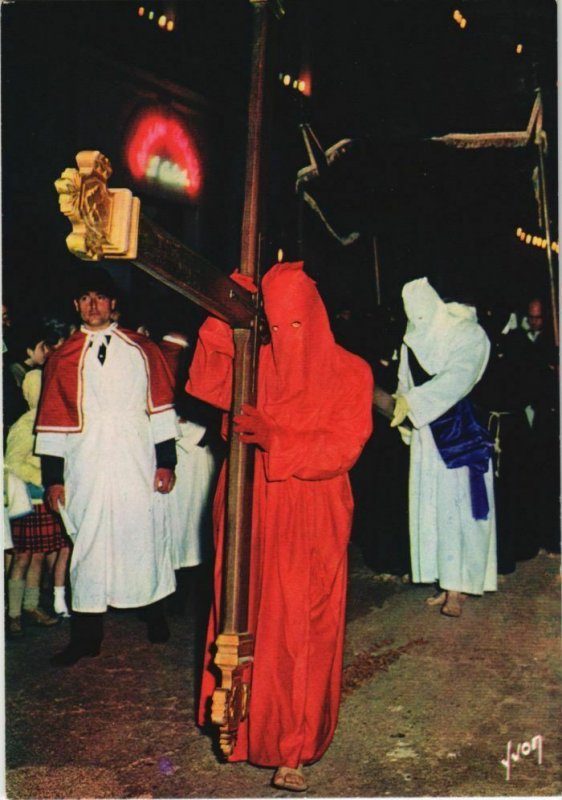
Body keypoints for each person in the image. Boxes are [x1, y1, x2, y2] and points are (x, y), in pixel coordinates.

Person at [187, 261, 373, 791]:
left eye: (300, 324)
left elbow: (344, 446)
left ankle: (294, 744)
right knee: (242, 611)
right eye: (279, 324)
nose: (290, 338)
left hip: (312, 512)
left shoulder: (351, 371)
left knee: (301, 626)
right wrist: (224, 317)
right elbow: (205, 382)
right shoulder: (257, 362)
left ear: (316, 316)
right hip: (250, 504)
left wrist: (277, 438)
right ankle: (239, 728)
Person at [35, 268, 179, 666]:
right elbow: (52, 423)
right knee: (90, 547)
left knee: (143, 534)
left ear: (114, 303)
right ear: (76, 305)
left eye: (99, 297)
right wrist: (54, 479)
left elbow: (162, 410)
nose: (92, 305)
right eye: (85, 299)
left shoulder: (142, 349)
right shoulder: (62, 357)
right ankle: (86, 637)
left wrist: (165, 461)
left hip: (136, 456)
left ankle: (156, 616)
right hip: (88, 463)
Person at [391, 277, 497, 618]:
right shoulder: (412, 339)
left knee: (460, 510)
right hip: (426, 437)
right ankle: (444, 579)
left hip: (459, 435)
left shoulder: (469, 334)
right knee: (433, 508)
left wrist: (414, 402)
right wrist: (403, 413)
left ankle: (460, 587)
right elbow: (404, 382)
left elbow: (458, 377)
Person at [5, 369, 68, 637]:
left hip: (43, 500)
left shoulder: (48, 422)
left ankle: (31, 607)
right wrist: (41, 476)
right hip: (27, 501)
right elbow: (12, 461)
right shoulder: (25, 424)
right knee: (22, 558)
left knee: (40, 556)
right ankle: (14, 613)